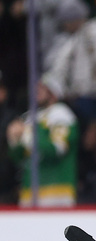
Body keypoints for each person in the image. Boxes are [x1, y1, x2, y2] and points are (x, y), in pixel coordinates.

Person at [5, 74, 79, 207]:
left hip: (57, 190)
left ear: (53, 92)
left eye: (42, 87)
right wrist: (14, 140)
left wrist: (26, 134)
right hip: (29, 190)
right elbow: (19, 158)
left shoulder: (61, 115)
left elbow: (57, 149)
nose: (37, 90)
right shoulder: (29, 117)